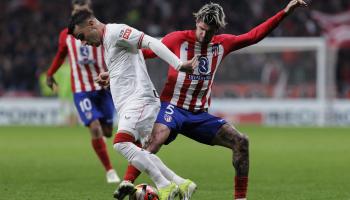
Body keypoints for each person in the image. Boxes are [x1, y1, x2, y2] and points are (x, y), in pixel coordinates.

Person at [109, 1, 308, 200]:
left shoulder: (223, 44)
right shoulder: (177, 39)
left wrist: (285, 12)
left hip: (199, 115)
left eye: (209, 31)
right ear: (196, 22)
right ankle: (128, 182)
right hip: (172, 107)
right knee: (155, 138)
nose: (204, 35)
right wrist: (110, 74)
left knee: (241, 142)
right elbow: (142, 54)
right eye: (202, 29)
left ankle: (240, 198)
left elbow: (253, 36)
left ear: (217, 30)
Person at [67, 9, 198, 200]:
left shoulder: (117, 32)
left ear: (91, 24)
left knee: (121, 144)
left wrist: (179, 64)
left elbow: (150, 42)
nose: (84, 43)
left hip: (141, 100)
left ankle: (165, 186)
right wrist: (110, 76)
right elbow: (127, 66)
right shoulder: (108, 42)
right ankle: (183, 184)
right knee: (142, 153)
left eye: (82, 37)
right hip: (133, 103)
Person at [46, 0, 120, 184]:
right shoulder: (66, 35)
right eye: (77, 5)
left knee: (108, 131)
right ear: (73, 10)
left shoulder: (100, 31)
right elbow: (60, 55)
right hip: (81, 90)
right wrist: (50, 74)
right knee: (94, 128)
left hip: (103, 88)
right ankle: (110, 170)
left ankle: (102, 141)